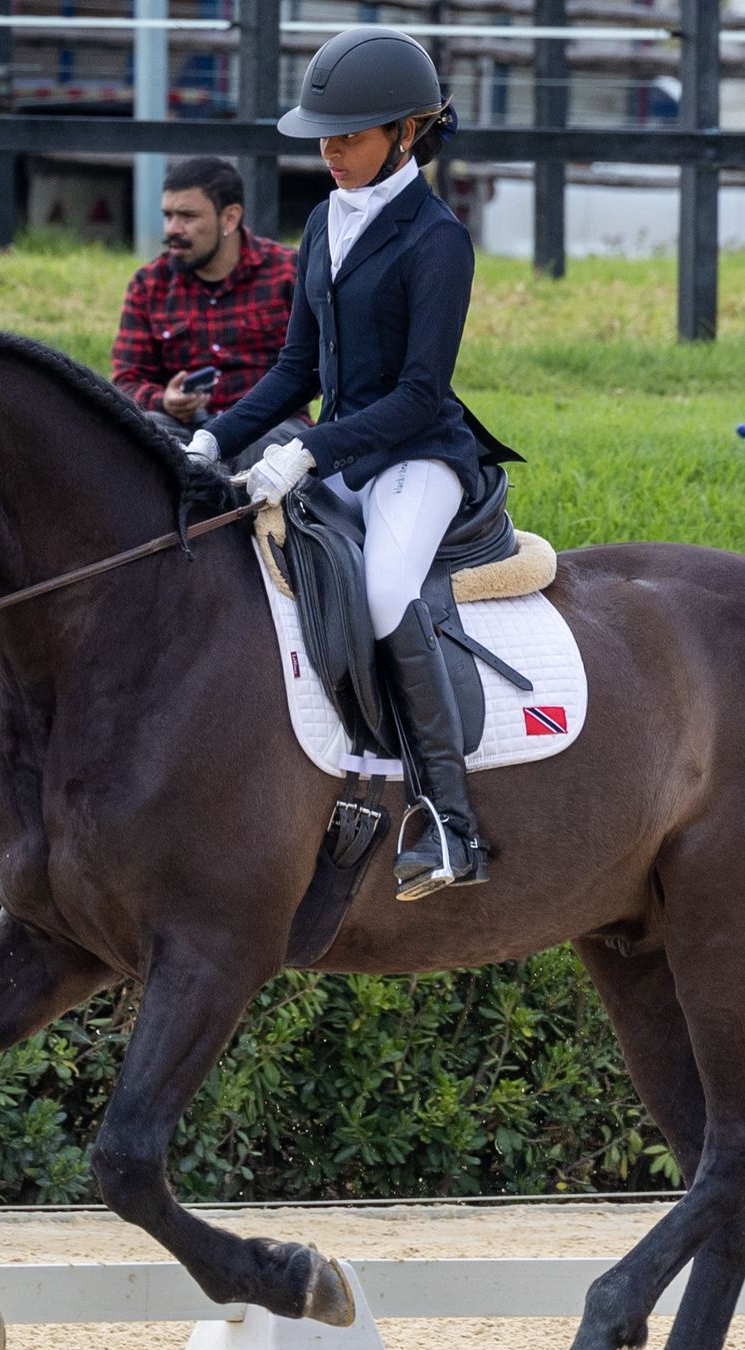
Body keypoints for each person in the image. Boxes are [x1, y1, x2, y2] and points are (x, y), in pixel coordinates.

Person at [188, 26, 519, 901]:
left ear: (407, 133)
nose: (330, 150)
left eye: (350, 135)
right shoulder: (323, 221)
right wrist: (212, 440)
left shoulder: (439, 240)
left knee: (379, 590)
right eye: (324, 136)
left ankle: (450, 823)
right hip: (343, 449)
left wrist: (307, 447)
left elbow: (417, 393)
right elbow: (298, 370)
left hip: (419, 455)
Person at [111, 157, 307, 470]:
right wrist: (166, 400)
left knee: (269, 452)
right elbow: (125, 382)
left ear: (229, 218)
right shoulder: (149, 284)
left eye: (187, 216)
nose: (172, 229)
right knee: (136, 442)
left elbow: (318, 368)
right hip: (179, 427)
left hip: (267, 426)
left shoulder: (288, 274)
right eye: (168, 215)